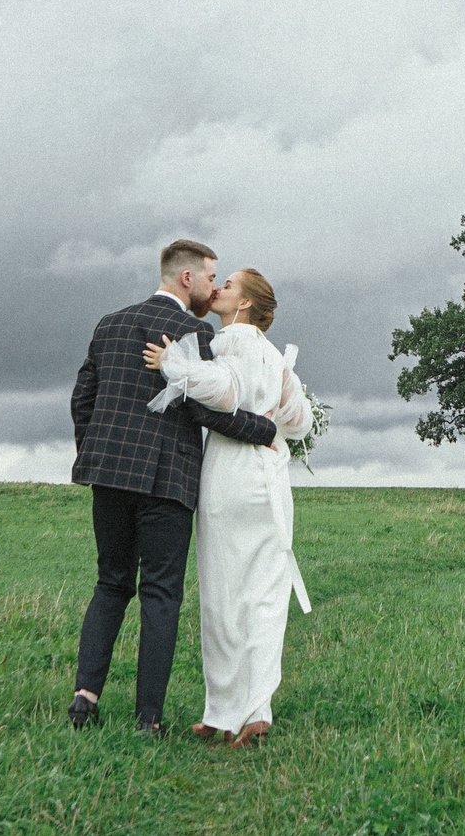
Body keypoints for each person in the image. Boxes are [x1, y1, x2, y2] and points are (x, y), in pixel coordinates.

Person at [67, 239, 280, 736]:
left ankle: (85, 698)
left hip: (109, 476)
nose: (213, 286)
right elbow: (207, 409)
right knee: (160, 595)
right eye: (211, 277)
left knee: (110, 583)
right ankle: (148, 718)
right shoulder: (194, 331)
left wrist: (96, 455)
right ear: (188, 278)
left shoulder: (109, 323)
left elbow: (83, 400)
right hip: (168, 480)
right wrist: (264, 431)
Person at [142, 266, 315, 748]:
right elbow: (299, 422)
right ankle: (257, 710)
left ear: (243, 306)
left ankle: (221, 712)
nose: (217, 289)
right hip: (271, 479)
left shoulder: (231, 341)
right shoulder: (276, 356)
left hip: (230, 477)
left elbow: (223, 393)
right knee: (263, 594)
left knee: (221, 593)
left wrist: (174, 366)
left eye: (228, 285)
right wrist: (271, 412)